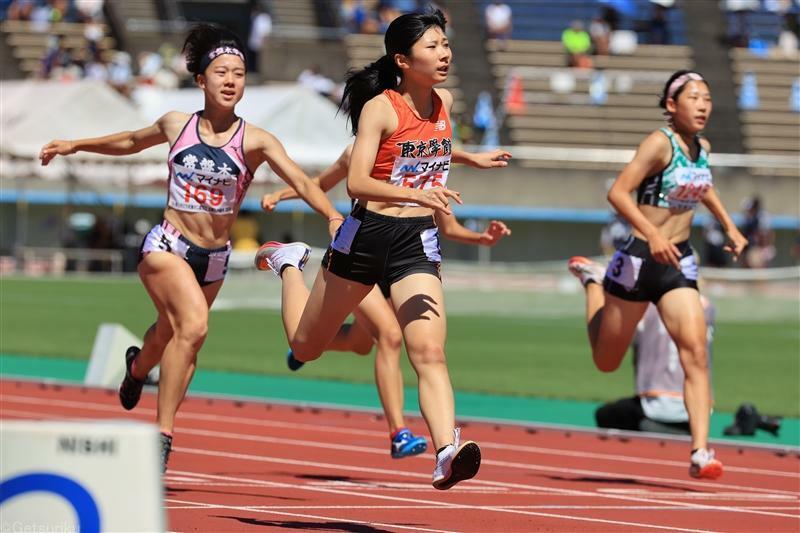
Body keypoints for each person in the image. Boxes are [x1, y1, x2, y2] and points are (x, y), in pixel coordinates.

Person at [38, 23, 342, 472]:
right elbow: (128, 141)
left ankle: (138, 368)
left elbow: (300, 180)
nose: (230, 80)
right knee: (194, 327)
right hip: (166, 245)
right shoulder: (176, 124)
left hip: (213, 259)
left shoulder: (256, 140)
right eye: (220, 71)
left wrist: (333, 216)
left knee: (173, 334)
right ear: (201, 79)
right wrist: (75, 145)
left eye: (238, 73)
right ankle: (161, 436)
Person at [254, 10, 511, 490]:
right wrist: (419, 194)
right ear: (402, 59)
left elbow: (427, 146)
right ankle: (288, 265)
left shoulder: (444, 101)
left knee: (429, 350)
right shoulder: (380, 108)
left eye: (445, 44)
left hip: (416, 242)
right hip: (366, 235)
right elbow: (356, 179)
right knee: (305, 347)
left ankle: (445, 451)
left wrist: (469, 156)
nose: (445, 53)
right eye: (432, 46)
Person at [261, 143, 511, 459]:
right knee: (390, 336)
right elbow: (319, 183)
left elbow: (445, 224)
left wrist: (481, 239)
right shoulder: (360, 150)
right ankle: (398, 433)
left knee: (360, 342)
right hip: (360, 256)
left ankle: (310, 339)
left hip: (404, 262)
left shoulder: (426, 160)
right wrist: (280, 197)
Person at [567, 70, 748, 480]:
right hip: (637, 261)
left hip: (679, 261)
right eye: (694, 97)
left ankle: (701, 451)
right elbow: (617, 192)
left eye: (707, 98)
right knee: (606, 361)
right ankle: (594, 284)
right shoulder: (657, 143)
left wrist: (730, 226)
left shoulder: (701, 147)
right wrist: (651, 234)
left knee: (696, 354)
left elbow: (703, 188)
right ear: (672, 105)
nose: (703, 105)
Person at [595, 296, 715, 435]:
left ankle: (649, 432)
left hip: (654, 404)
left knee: (604, 416)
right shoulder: (707, 306)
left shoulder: (645, 306)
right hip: (698, 405)